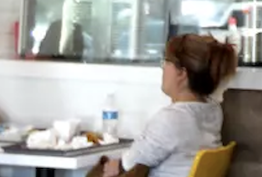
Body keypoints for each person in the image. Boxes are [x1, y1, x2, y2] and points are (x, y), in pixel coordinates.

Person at [98, 34, 237, 177]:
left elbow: (131, 162)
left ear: (181, 73)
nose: (163, 68)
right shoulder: (214, 110)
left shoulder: (171, 119)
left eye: (166, 62)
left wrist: (115, 165)